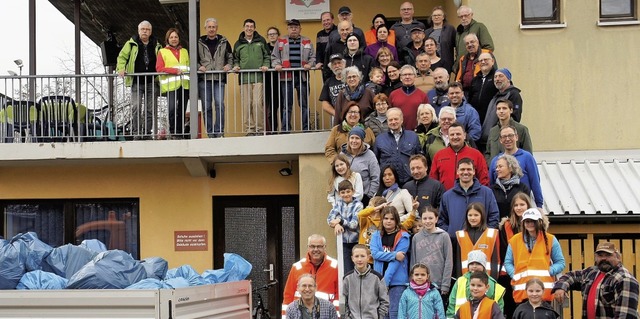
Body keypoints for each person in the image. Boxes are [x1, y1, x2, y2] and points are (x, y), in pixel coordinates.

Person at [552, 241, 639, 319]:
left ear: (618, 257)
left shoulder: (624, 279)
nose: (604, 258)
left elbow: (625, 316)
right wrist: (561, 287)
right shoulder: (592, 272)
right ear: (596, 257)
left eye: (608, 255)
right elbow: (571, 276)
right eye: (600, 255)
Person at [504, 208, 566, 304]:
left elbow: (560, 262)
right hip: (522, 293)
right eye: (527, 221)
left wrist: (549, 271)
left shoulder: (550, 239)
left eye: (533, 221)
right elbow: (508, 262)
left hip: (543, 293)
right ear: (523, 223)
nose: (530, 224)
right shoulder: (514, 240)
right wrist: (514, 275)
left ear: (540, 222)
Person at [116, 20, 162, 139]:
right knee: (136, 107)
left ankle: (147, 133)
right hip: (136, 82)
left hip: (151, 82)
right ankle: (136, 132)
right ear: (138, 31)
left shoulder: (157, 45)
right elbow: (122, 57)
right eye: (142, 29)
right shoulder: (131, 43)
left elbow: (162, 60)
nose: (145, 32)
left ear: (150, 32)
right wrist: (121, 68)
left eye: (147, 30)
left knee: (150, 109)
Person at [438, 157, 499, 240]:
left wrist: (484, 235)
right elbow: (441, 220)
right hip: (455, 242)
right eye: (462, 169)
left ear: (474, 171)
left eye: (469, 169)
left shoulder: (487, 193)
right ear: (457, 171)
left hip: (481, 242)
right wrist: (449, 234)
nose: (466, 172)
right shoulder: (447, 196)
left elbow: (494, 216)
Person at [272, 19, 316, 132]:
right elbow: (274, 57)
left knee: (304, 104)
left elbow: (313, 57)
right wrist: (277, 64)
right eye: (291, 27)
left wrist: (310, 64)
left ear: (300, 28)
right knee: (287, 105)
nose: (293, 29)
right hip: (286, 77)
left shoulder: (307, 40)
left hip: (303, 77)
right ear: (287, 29)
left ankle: (306, 129)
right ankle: (286, 129)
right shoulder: (280, 41)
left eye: (296, 27)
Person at [282, 234, 339, 315]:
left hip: (325, 314)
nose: (316, 249)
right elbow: (288, 295)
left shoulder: (335, 266)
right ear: (308, 247)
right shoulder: (297, 267)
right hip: (299, 314)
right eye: (312, 246)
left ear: (324, 247)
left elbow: (339, 296)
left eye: (319, 246)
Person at [497, 192, 534, 319]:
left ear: (528, 206)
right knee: (513, 310)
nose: (519, 208)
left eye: (522, 204)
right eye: (516, 205)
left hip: (532, 274)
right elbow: (503, 251)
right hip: (509, 275)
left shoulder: (537, 226)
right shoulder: (505, 226)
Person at [370, 206, 411, 319]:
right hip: (378, 280)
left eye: (392, 219)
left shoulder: (404, 236)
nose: (388, 221)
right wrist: (394, 255)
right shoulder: (376, 235)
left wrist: (385, 283)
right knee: (381, 314)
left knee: (394, 314)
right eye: (386, 218)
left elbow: (396, 263)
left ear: (396, 220)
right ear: (382, 220)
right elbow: (374, 254)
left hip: (397, 282)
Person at [489, 126, 543, 208]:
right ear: (500, 140)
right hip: (501, 207)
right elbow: (491, 185)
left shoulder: (527, 157)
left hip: (522, 207)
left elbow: (535, 182)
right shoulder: (495, 161)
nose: (507, 139)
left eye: (510, 135)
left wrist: (539, 205)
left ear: (516, 137)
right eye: (504, 136)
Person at [233, 19, 270, 135]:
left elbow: (267, 56)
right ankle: (249, 129)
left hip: (258, 77)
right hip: (244, 78)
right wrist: (236, 66)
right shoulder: (238, 43)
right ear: (243, 27)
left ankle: (259, 129)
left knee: (257, 103)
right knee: (247, 104)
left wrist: (266, 65)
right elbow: (235, 59)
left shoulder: (261, 41)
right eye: (247, 26)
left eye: (251, 26)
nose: (249, 28)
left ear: (254, 28)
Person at [197, 18, 233, 138]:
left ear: (217, 28)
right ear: (205, 28)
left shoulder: (224, 41)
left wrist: (229, 65)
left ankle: (219, 132)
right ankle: (211, 133)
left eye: (213, 27)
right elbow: (193, 59)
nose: (211, 29)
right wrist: (199, 66)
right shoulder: (199, 42)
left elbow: (230, 57)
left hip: (219, 79)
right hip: (204, 79)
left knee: (219, 104)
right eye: (209, 27)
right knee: (206, 107)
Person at [430, 123, 489, 189]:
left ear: (464, 135)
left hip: (471, 197)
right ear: (448, 136)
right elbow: (433, 180)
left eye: (458, 134)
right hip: (445, 197)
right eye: (452, 134)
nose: (455, 137)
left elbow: (484, 179)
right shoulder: (439, 155)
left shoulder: (476, 155)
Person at [447, 250, 506, 318]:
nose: (474, 266)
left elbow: (498, 310)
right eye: (471, 264)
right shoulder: (460, 281)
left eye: (478, 264)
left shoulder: (493, 285)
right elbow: (452, 304)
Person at [410, 207, 454, 298]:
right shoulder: (416, 238)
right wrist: (412, 282)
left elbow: (449, 261)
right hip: (420, 284)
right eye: (425, 218)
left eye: (430, 218)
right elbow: (413, 262)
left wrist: (445, 284)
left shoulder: (444, 236)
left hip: (438, 284)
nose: (427, 221)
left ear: (436, 219)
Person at [373, 108, 421, 185]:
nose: (393, 122)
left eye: (396, 119)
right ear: (387, 121)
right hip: (389, 182)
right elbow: (375, 162)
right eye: (390, 120)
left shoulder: (413, 136)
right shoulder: (380, 139)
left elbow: (420, 157)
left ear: (402, 120)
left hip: (410, 181)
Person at [157, 28, 190, 139]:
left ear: (179, 38)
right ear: (167, 39)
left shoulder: (184, 51)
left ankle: (180, 132)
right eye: (171, 37)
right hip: (171, 86)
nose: (174, 39)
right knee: (172, 109)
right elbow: (159, 68)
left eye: (176, 37)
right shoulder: (162, 51)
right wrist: (174, 71)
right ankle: (173, 131)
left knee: (182, 109)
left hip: (184, 84)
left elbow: (188, 67)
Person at [343, 244, 390, 319]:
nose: (359, 259)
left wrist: (379, 316)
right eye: (356, 256)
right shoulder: (347, 278)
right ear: (352, 258)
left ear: (368, 257)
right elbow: (345, 301)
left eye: (362, 256)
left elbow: (385, 301)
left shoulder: (377, 278)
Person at [455, 203, 499, 278]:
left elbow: (495, 261)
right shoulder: (461, 235)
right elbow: (458, 262)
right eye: (470, 215)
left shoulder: (492, 234)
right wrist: (459, 281)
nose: (472, 218)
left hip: (486, 280)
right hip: (466, 279)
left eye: (476, 215)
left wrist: (493, 281)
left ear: (482, 216)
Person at [327, 179, 362, 273]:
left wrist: (340, 220)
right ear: (339, 193)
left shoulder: (358, 205)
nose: (346, 194)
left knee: (357, 268)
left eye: (348, 191)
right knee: (346, 269)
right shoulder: (338, 205)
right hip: (343, 242)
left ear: (353, 191)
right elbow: (330, 220)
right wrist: (337, 224)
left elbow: (354, 224)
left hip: (356, 241)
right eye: (343, 192)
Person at [482, 68, 524, 143]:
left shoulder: (514, 95)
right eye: (495, 77)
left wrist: (503, 134)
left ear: (508, 79)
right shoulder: (496, 96)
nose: (497, 79)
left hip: (502, 139)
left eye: (501, 76)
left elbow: (515, 117)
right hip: (490, 138)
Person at [341, 126, 381, 206]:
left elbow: (375, 178)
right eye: (352, 138)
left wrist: (368, 196)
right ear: (348, 139)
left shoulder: (370, 155)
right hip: (344, 198)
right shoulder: (342, 155)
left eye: (357, 138)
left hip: (363, 198)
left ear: (362, 140)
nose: (354, 141)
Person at [485, 99, 533, 164]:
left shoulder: (521, 129)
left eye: (504, 108)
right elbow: (488, 152)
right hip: (497, 170)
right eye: (499, 109)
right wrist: (491, 164)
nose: (501, 111)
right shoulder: (493, 131)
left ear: (511, 110)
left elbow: (528, 153)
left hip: (516, 170)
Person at [491, 154, 532, 219]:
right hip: (498, 226)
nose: (497, 169)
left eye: (500, 166)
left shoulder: (523, 188)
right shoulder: (492, 190)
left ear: (510, 168)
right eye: (496, 167)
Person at [389, 65, 429, 131]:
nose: (407, 77)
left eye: (410, 74)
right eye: (404, 75)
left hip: (418, 132)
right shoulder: (393, 94)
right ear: (401, 77)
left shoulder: (422, 95)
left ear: (415, 77)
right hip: (398, 131)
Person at [467, 52, 498, 126]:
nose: (483, 62)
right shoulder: (475, 80)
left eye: (486, 59)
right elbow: (470, 98)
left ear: (492, 61)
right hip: (475, 119)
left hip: (492, 119)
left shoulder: (497, 77)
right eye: (481, 60)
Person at [425, 6, 456, 73]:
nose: (436, 17)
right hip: (431, 64)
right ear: (432, 18)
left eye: (439, 15)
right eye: (434, 15)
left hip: (446, 63)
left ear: (443, 17)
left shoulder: (450, 29)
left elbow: (456, 45)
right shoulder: (427, 32)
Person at [265, 26, 282, 133]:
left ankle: (284, 129)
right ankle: (273, 130)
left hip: (282, 79)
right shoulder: (265, 47)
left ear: (278, 35)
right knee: (272, 107)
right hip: (269, 80)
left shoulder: (282, 46)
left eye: (274, 33)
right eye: (270, 34)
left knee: (284, 106)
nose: (272, 35)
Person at [318, 53, 346, 118]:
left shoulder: (351, 78)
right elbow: (325, 103)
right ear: (331, 67)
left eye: (339, 63)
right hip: (336, 116)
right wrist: (336, 114)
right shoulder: (328, 82)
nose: (337, 66)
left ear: (344, 64)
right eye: (334, 64)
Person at [316, 11, 337, 82]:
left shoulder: (338, 31)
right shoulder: (319, 34)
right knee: (327, 86)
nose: (326, 22)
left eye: (328, 20)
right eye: (324, 20)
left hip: (337, 64)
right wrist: (318, 62)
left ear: (333, 20)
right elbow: (318, 50)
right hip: (326, 67)